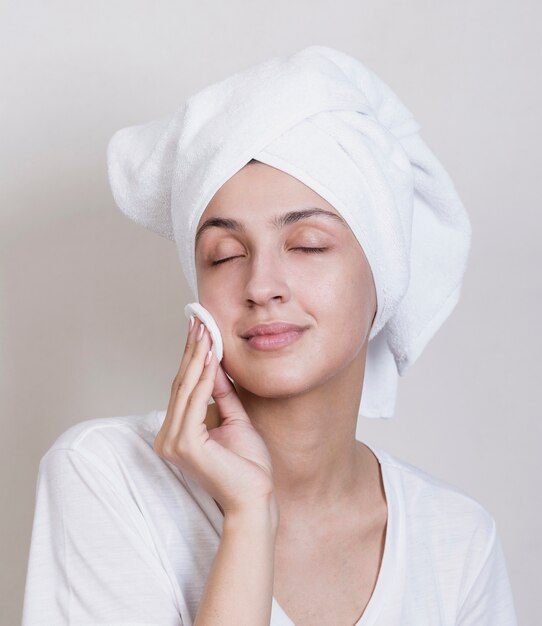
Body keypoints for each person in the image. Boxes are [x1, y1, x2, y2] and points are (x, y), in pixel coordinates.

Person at [22, 46, 518, 625]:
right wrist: (249, 517)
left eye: (308, 245)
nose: (262, 285)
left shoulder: (456, 541)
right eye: (224, 254)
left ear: (383, 273)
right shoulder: (105, 476)